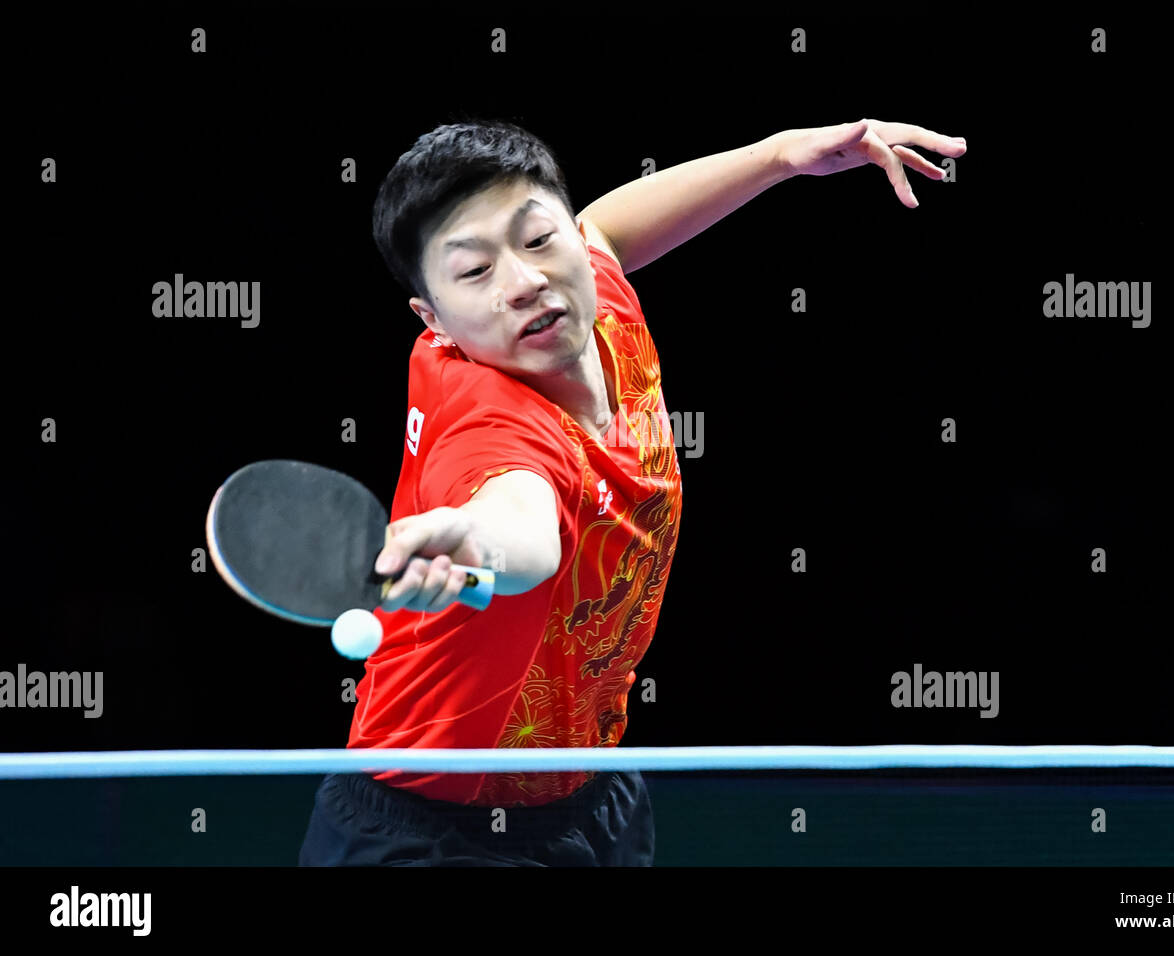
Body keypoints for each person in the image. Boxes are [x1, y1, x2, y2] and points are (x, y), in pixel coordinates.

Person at [298, 116, 965, 866]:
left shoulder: (592, 303)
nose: (525, 282)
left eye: (537, 238)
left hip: (589, 796)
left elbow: (607, 226)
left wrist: (778, 157)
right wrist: (473, 541)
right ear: (433, 319)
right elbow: (521, 526)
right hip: (428, 829)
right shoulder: (489, 425)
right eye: (475, 272)